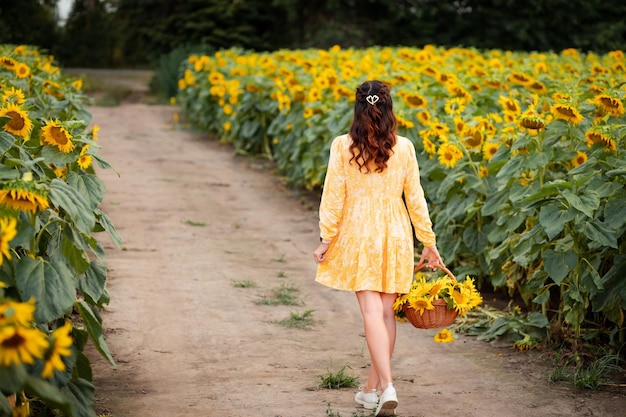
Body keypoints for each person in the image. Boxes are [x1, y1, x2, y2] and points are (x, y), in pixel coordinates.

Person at [312, 80, 444, 416]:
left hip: (359, 232)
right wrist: (428, 241)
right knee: (386, 314)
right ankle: (370, 390)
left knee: (372, 313)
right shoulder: (405, 147)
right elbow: (416, 199)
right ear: (389, 109)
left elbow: (333, 195)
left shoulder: (342, 146)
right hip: (397, 232)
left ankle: (387, 387)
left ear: (358, 109)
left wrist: (327, 237)